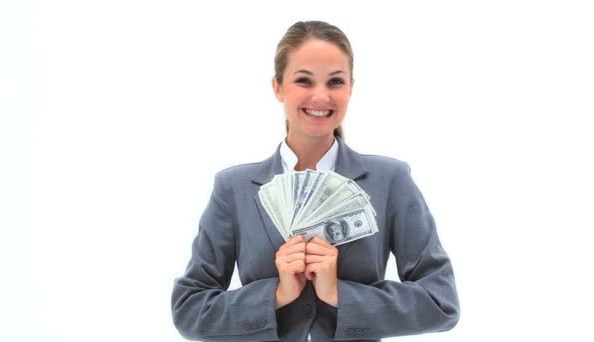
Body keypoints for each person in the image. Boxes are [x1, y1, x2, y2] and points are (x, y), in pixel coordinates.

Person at [171, 20, 459, 341]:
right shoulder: (233, 188)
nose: (320, 96)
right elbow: (189, 309)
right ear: (278, 87)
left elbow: (441, 302)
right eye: (304, 81)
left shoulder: (390, 180)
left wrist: (339, 294)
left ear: (351, 87)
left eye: (335, 81)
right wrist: (276, 294)